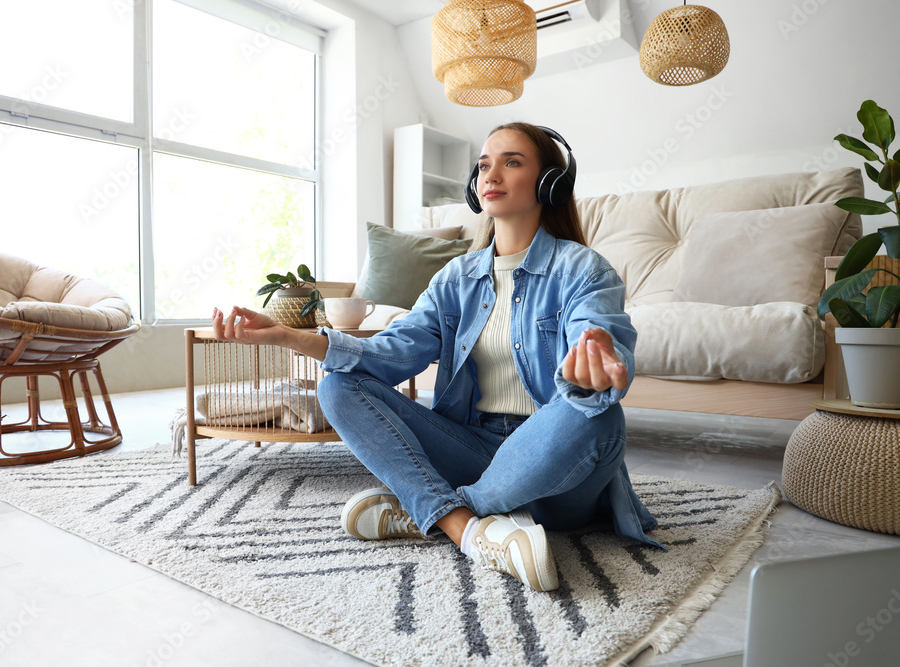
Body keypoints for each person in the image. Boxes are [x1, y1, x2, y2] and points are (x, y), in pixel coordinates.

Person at [212, 122, 661, 593]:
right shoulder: (456, 277)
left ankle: (435, 511)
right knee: (338, 383)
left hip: (555, 471)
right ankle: (469, 528)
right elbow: (388, 354)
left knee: (599, 417)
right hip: (474, 449)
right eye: (484, 164)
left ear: (550, 182)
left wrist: (598, 362)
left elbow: (597, 331)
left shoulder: (582, 269)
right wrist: (288, 338)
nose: (491, 173)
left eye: (512, 162)